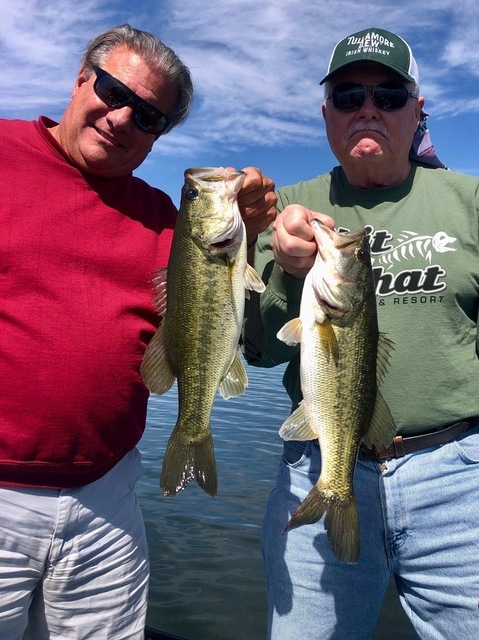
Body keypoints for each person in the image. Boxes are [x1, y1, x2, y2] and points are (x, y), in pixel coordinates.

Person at [0, 24, 276, 639]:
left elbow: (218, 309)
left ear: (158, 137)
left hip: (107, 501)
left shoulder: (165, 221)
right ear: (80, 79)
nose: (123, 118)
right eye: (112, 90)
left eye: (148, 116)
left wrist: (253, 231)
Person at [243, 27, 479, 639]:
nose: (367, 108)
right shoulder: (286, 206)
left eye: (388, 95)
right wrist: (282, 268)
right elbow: (261, 353)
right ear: (327, 115)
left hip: (462, 477)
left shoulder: (471, 201)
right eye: (348, 97)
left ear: (418, 109)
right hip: (315, 463)